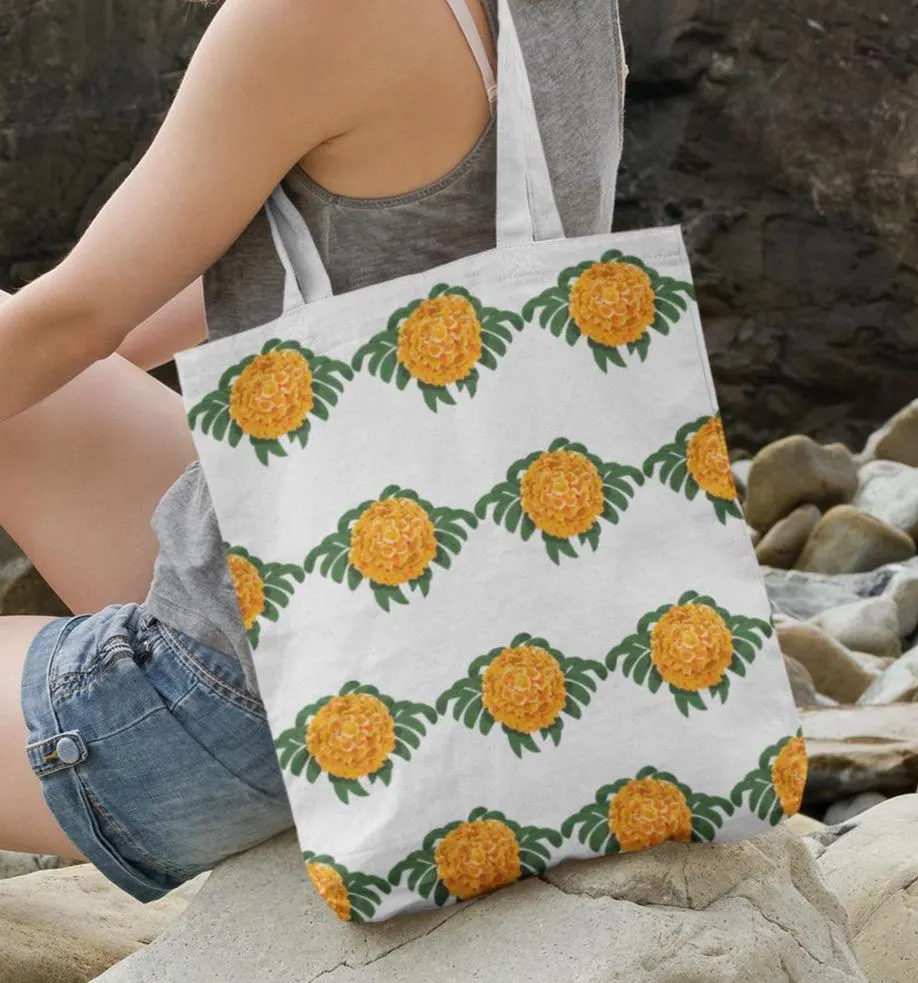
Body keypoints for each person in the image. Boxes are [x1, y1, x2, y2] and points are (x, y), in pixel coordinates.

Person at [0, 0, 625, 901]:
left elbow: (76, 314)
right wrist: (76, 363)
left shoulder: (310, 13)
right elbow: (336, 256)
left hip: (296, 701)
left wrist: (76, 345)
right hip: (497, 620)